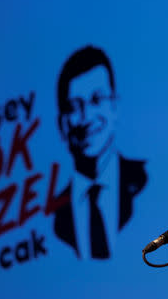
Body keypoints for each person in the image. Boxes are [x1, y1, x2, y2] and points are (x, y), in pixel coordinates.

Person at [53, 45, 147, 259]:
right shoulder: (54, 217)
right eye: (74, 106)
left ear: (115, 106)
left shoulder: (146, 181)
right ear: (61, 124)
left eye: (96, 100)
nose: (86, 118)